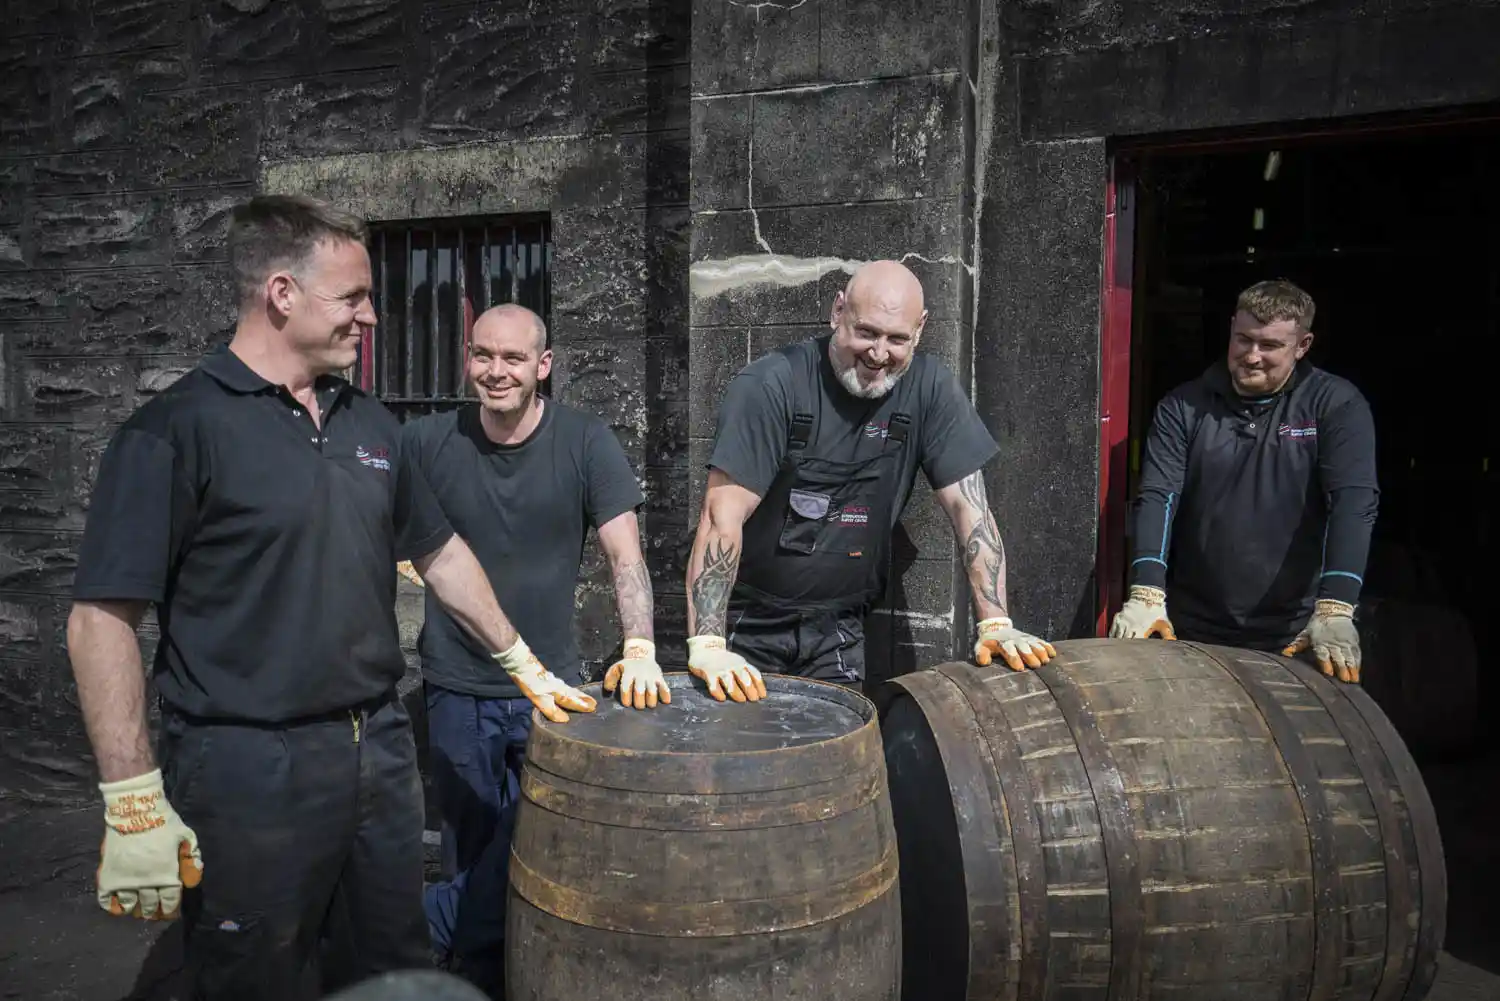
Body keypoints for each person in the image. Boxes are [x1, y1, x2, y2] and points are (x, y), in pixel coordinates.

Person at [65, 195, 595, 1001]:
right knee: (256, 974)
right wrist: (133, 799)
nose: (372, 317)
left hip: (378, 751)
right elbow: (101, 618)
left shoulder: (371, 426)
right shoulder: (174, 430)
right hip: (246, 765)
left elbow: (442, 553)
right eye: (352, 298)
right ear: (281, 293)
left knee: (391, 969)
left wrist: (522, 660)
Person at [397, 303, 661, 992]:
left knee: (548, 845)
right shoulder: (427, 441)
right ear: (467, 358)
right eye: (483, 355)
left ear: (543, 365)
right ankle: (472, 974)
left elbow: (625, 556)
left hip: (552, 687)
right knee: (470, 847)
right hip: (458, 685)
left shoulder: (584, 441)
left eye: (513, 358)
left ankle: (502, 959)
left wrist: (639, 646)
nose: (495, 370)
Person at [683, 259, 1056, 700]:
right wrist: (707, 644)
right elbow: (719, 516)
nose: (879, 354)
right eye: (867, 332)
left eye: (897, 339)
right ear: (837, 310)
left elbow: (969, 508)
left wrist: (995, 623)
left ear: (920, 329)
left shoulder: (930, 389)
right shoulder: (772, 384)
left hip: (841, 627)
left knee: (836, 756)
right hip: (749, 624)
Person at [1109, 279, 1378, 683]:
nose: (1252, 356)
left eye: (1270, 346)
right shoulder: (1183, 407)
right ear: (1232, 328)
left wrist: (1336, 607)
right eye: (1243, 339)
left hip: (1296, 632)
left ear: (1302, 346)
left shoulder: (1335, 404)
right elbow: (1159, 496)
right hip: (1192, 626)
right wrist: (1146, 592)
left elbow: (1353, 504)